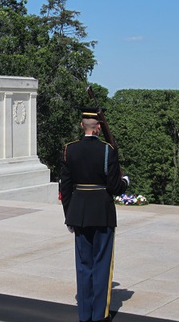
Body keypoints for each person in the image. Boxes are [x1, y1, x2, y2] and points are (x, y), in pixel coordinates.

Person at [60, 108, 129, 322]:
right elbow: (115, 187)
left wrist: (69, 217)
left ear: (82, 125)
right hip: (102, 213)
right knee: (102, 265)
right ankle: (99, 315)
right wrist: (125, 181)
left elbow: (66, 188)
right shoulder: (108, 150)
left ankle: (85, 315)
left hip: (79, 213)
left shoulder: (69, 150)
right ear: (98, 127)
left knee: (84, 266)